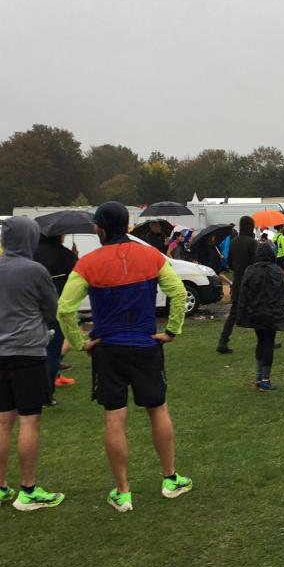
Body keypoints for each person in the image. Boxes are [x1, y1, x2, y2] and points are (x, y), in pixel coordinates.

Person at [57, 201, 193, 513]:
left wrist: (80, 343)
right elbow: (179, 293)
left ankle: (123, 491)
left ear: (100, 229)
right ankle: (170, 479)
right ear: (127, 226)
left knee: (114, 417)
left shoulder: (88, 264)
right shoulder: (151, 256)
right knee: (157, 409)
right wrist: (172, 330)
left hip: (108, 350)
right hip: (146, 345)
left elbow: (65, 308)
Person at [0, 216, 65, 511]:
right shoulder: (35, 270)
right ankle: (28, 490)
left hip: (0, 353)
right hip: (29, 351)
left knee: (2, 419)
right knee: (29, 419)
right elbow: (52, 308)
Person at [236, 242, 284, 391]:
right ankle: (265, 379)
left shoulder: (250, 270)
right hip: (271, 313)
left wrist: (243, 313)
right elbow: (282, 295)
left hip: (255, 313)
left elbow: (244, 293)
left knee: (260, 342)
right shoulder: (276, 271)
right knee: (268, 343)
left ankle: (259, 376)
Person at [34, 232, 79, 399]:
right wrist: (75, 257)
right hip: (56, 306)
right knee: (53, 350)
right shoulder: (64, 253)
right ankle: (47, 392)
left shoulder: (31, 252)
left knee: (35, 350)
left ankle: (35, 384)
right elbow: (76, 276)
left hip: (33, 306)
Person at [217, 216, 258, 355]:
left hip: (238, 281)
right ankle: (265, 339)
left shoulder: (234, 242)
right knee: (258, 311)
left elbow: (229, 262)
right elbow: (255, 264)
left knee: (233, 314)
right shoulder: (253, 243)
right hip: (250, 283)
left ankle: (223, 341)